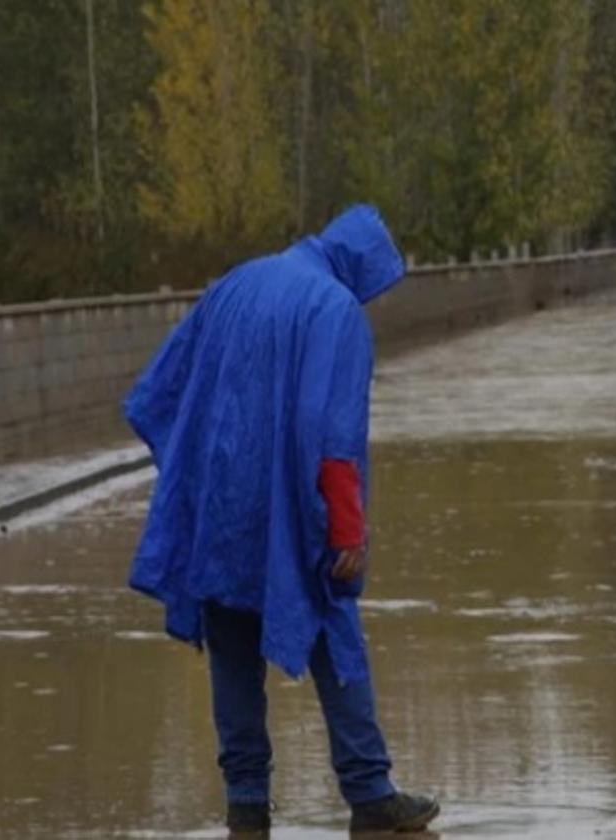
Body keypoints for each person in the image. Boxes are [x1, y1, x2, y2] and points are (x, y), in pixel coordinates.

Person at [123, 206, 439, 836]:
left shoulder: (235, 284)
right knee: (333, 630)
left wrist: (193, 486)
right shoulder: (336, 311)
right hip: (290, 509)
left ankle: (245, 805)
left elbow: (161, 389)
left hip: (218, 506)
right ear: (360, 268)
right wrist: (346, 529)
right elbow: (335, 433)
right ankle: (370, 793)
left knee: (232, 647)